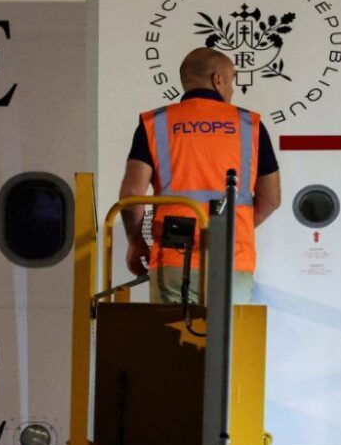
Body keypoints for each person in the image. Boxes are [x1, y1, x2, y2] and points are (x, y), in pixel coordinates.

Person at [119, 47, 282, 304]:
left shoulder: (155, 123)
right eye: (231, 81)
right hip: (232, 256)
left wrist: (135, 242)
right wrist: (231, 229)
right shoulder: (250, 125)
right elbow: (271, 198)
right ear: (218, 80)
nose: (232, 90)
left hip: (174, 255)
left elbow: (131, 194)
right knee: (228, 330)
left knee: (172, 330)